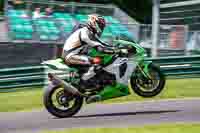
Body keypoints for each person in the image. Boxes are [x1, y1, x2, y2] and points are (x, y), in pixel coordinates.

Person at [62, 14, 119, 81]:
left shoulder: (88, 32)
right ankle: (83, 80)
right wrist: (116, 51)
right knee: (98, 61)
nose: (102, 28)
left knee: (97, 59)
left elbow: (101, 44)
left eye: (102, 26)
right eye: (101, 25)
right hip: (70, 56)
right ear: (94, 22)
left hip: (75, 54)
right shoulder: (86, 32)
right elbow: (100, 48)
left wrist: (114, 47)